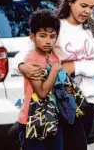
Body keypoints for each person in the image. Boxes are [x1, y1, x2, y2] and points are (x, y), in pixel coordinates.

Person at [13, 0, 94, 150]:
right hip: (62, 101)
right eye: (83, 5)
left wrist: (74, 66)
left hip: (87, 100)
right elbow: (25, 52)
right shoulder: (57, 26)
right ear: (70, 1)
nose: (87, 11)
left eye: (91, 7)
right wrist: (21, 66)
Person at [18, 9, 63, 150]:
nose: (48, 41)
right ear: (32, 37)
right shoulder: (32, 60)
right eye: (42, 36)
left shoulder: (53, 56)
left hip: (53, 119)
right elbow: (42, 93)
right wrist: (55, 70)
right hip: (33, 121)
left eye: (52, 36)